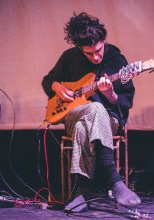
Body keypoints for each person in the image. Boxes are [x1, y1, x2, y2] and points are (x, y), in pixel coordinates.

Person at [42, 12, 141, 212]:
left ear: (104, 40)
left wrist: (111, 94)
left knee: (86, 121)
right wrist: (57, 87)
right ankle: (116, 181)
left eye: (98, 50)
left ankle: (80, 192)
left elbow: (125, 101)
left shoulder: (117, 60)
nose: (96, 57)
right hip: (72, 113)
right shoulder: (69, 58)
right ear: (79, 48)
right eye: (89, 53)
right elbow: (47, 81)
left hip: (110, 120)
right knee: (89, 112)